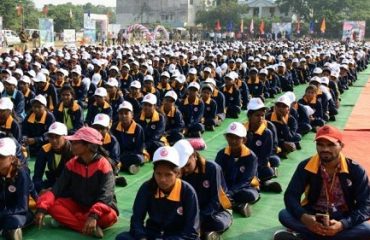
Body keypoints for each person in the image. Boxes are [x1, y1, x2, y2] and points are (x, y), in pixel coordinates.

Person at [274, 125, 370, 240]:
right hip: (313, 214)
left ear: (341, 146)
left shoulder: (355, 169)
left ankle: (306, 236)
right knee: (284, 215)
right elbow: (291, 196)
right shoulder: (305, 166)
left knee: (366, 229)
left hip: (343, 216)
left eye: (331, 145)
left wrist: (342, 225)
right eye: (320, 144)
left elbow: (366, 205)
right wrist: (305, 218)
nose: (325, 149)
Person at [35, 127, 118, 238]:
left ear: (88, 146)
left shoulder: (104, 165)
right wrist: (42, 208)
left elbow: (106, 196)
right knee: (52, 205)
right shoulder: (72, 163)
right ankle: (84, 227)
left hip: (98, 209)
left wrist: (93, 215)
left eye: (75, 143)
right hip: (78, 204)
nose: (71, 144)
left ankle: (73, 221)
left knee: (111, 216)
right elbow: (57, 189)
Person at [115, 146, 200, 240]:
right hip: (152, 234)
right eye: (158, 174)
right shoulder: (147, 188)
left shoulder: (188, 192)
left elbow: (191, 230)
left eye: (168, 174)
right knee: (122, 238)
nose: (162, 179)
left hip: (176, 236)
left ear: (177, 173)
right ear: (154, 172)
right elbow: (137, 220)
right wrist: (142, 237)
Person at [174, 139, 232, 239]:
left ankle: (205, 231)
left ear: (194, 156)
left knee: (218, 223)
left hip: (214, 212)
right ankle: (205, 233)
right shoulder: (179, 172)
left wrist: (198, 219)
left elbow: (216, 201)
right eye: (182, 167)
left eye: (187, 165)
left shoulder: (212, 169)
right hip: (191, 213)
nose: (185, 170)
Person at [215, 122, 259, 217]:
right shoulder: (221, 154)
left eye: (237, 138)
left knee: (251, 195)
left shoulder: (251, 157)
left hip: (244, 188)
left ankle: (227, 203)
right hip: (226, 187)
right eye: (230, 137)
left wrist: (229, 193)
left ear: (244, 140)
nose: (233, 141)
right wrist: (224, 191)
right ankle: (237, 205)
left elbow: (246, 180)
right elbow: (217, 176)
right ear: (226, 138)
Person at [0, 137, 36, 240]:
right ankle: (6, 230)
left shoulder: (21, 173)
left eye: (1, 157)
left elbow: (22, 207)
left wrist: (2, 213)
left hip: (19, 213)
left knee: (14, 221)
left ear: (11, 158)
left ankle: (10, 231)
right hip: (3, 210)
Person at [245, 98, 282, 193]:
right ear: (249, 115)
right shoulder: (242, 130)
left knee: (268, 170)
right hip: (243, 163)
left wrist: (253, 169)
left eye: (263, 115)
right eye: (257, 115)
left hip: (258, 164)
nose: (261, 118)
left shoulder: (267, 133)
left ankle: (256, 182)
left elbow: (264, 157)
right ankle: (261, 183)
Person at [33, 122, 73, 193]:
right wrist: (41, 189)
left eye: (57, 137)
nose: (54, 140)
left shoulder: (73, 151)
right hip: (52, 183)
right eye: (51, 137)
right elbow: (37, 176)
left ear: (65, 137)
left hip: (69, 185)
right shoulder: (44, 150)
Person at [112, 101, 145, 174]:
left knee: (138, 159)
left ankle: (120, 166)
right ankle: (128, 167)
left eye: (126, 113)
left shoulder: (138, 128)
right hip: (118, 154)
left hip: (132, 155)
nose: (123, 116)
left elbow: (138, 149)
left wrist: (122, 157)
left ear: (132, 115)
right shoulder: (114, 127)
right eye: (121, 113)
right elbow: (113, 145)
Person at [136, 93, 166, 159]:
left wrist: (145, 145)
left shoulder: (160, 118)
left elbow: (156, 136)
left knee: (159, 147)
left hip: (155, 143)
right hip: (143, 144)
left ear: (154, 106)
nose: (146, 107)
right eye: (145, 104)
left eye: (150, 105)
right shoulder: (137, 117)